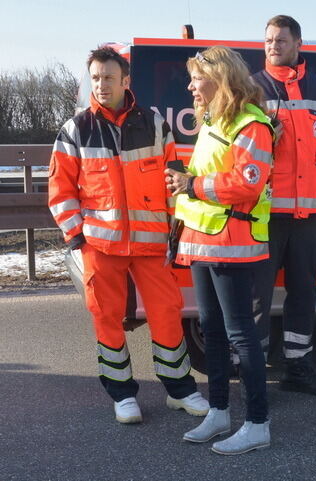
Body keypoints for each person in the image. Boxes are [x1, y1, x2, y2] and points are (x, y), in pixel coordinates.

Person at [48, 46, 208, 425]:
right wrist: (78, 239)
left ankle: (180, 390)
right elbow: (60, 191)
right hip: (100, 246)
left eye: (108, 77)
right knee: (107, 318)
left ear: (125, 81)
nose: (102, 85)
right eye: (96, 78)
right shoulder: (76, 130)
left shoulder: (154, 124)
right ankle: (122, 395)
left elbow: (174, 183)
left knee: (168, 315)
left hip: (151, 245)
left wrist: (175, 233)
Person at [168, 46, 273, 455]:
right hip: (203, 238)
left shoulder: (252, 124)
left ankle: (258, 423)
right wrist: (186, 183)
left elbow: (246, 182)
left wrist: (190, 185)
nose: (191, 86)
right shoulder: (216, 121)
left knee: (240, 335)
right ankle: (219, 411)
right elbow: (211, 176)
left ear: (221, 79)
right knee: (210, 330)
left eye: (196, 77)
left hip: (232, 241)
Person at [250, 14, 316, 397]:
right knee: (258, 296)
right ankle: (254, 372)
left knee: (304, 293)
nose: (273, 46)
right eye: (269, 40)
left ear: (298, 44)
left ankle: (298, 367)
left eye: (281, 40)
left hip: (309, 215)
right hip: (267, 214)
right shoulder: (252, 88)